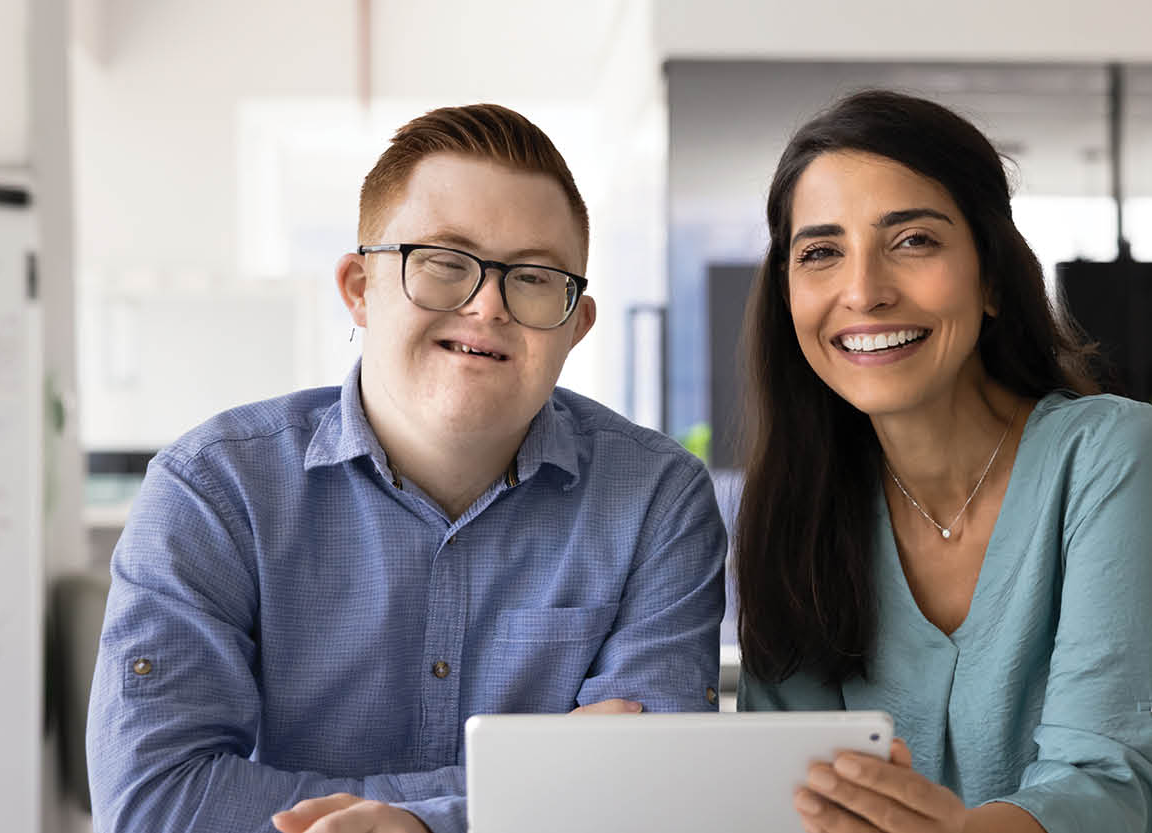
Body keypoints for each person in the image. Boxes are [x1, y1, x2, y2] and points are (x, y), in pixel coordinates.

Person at [86, 103, 728, 833]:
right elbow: (156, 806)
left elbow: (653, 797)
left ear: (576, 325)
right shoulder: (213, 489)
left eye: (535, 278)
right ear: (360, 287)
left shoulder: (656, 499)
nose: (488, 306)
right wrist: (514, 793)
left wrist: (423, 822)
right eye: (445, 264)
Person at [732, 89, 1152, 833]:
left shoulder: (1112, 454)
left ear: (989, 277)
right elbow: (788, 791)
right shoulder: (798, 504)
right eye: (820, 252)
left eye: (913, 240)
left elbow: (1110, 779)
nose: (863, 291)